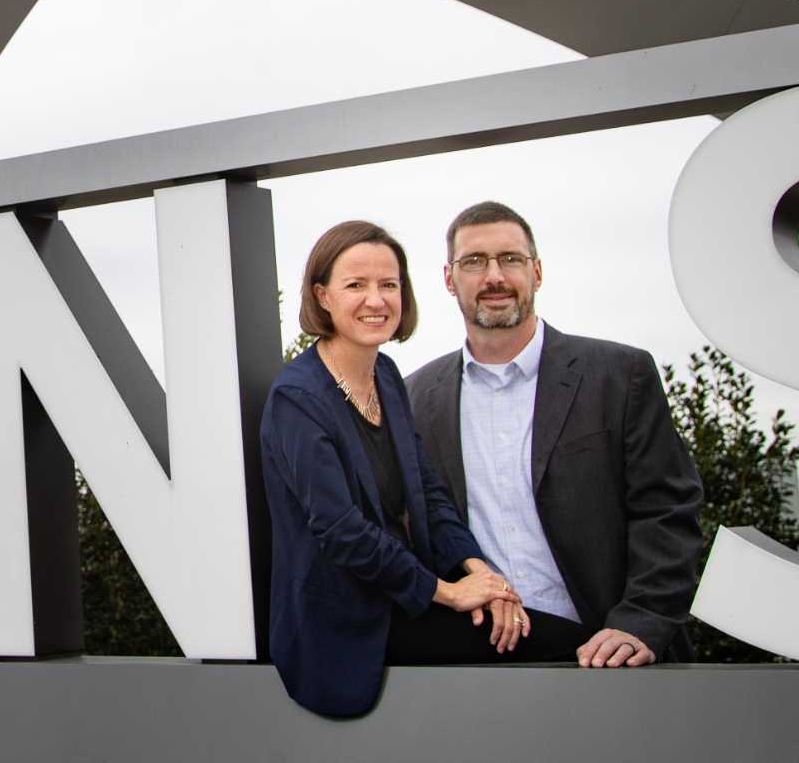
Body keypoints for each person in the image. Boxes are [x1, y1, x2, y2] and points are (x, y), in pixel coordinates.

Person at [405, 200, 704, 667]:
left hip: (611, 653)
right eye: (474, 262)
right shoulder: (414, 398)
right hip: (478, 659)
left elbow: (668, 510)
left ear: (537, 271)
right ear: (449, 279)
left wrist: (641, 619)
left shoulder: (620, 375)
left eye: (510, 259)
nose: (494, 278)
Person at [261, 220, 531, 718]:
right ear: (322, 296)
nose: (377, 300)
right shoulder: (297, 399)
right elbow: (341, 531)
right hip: (348, 619)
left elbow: (426, 492)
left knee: (530, 630)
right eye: (356, 285)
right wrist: (449, 593)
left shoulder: (384, 374)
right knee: (553, 645)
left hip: (407, 594)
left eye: (389, 284)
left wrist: (482, 575)